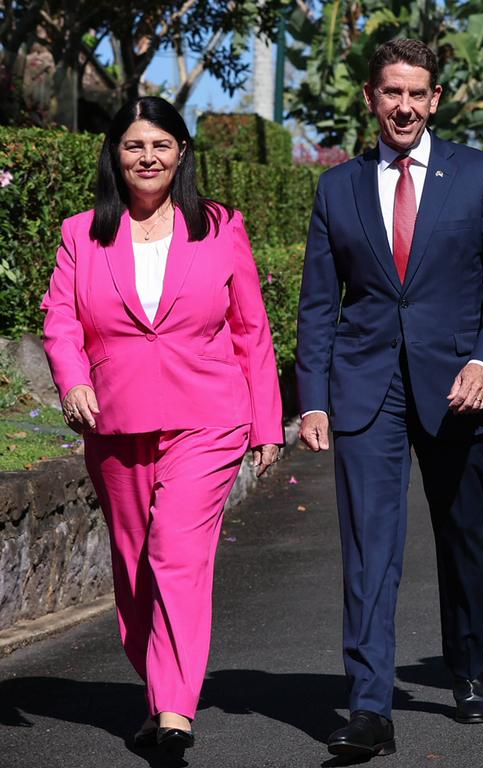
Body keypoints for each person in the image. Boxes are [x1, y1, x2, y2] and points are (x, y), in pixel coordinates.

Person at [295, 39, 483, 761]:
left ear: (434, 101)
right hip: (366, 391)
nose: (403, 106)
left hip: (458, 388)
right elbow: (317, 305)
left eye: (416, 93)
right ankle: (370, 705)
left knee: (462, 537)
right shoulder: (337, 188)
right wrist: (312, 399)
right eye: (390, 92)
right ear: (371, 98)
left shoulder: (479, 175)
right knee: (370, 550)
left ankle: (468, 669)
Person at [40, 96, 283, 758]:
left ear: (181, 155)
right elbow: (60, 318)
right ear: (114, 156)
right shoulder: (81, 232)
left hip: (207, 419)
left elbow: (251, 329)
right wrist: (74, 379)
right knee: (133, 567)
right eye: (133, 146)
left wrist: (266, 423)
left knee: (175, 554)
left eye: (161, 145)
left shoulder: (221, 226)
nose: (147, 157)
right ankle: (158, 692)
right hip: (115, 421)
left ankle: (175, 711)